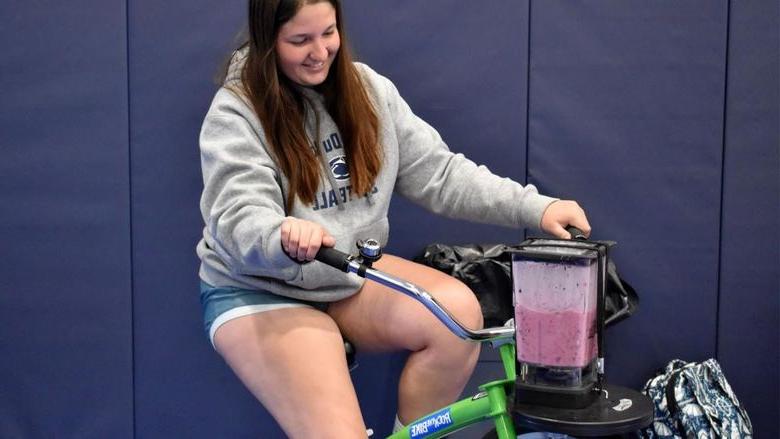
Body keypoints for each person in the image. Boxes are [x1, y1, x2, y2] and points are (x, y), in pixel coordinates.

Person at [196, 0, 591, 437]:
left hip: (344, 275)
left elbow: (441, 175)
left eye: (328, 33)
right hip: (262, 289)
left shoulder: (368, 90)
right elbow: (237, 218)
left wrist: (538, 208)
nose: (320, 51)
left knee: (456, 316)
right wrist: (279, 235)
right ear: (269, 41)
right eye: (299, 40)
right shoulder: (236, 112)